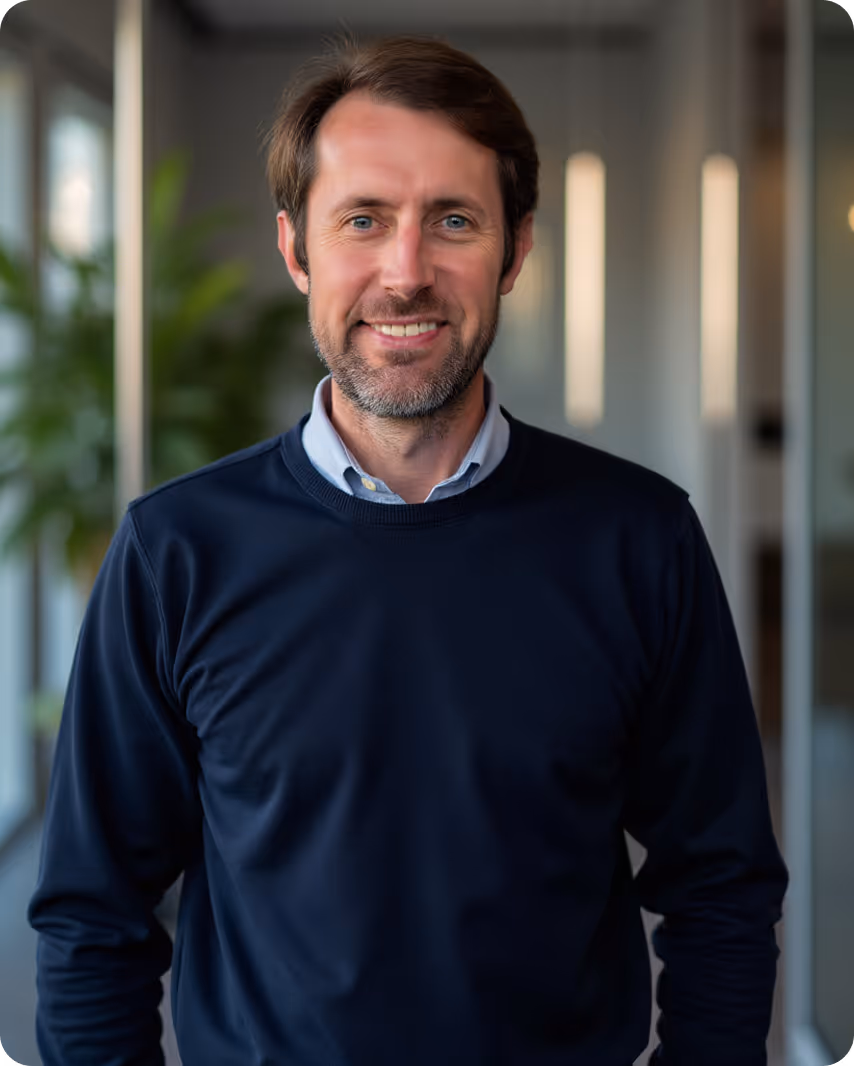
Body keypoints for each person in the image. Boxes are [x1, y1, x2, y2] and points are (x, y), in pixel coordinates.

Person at [28, 32, 788, 1066]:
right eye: (363, 220)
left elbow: (722, 886)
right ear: (297, 250)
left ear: (515, 249)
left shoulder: (639, 540)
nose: (406, 271)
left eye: (452, 221)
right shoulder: (175, 551)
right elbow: (89, 915)